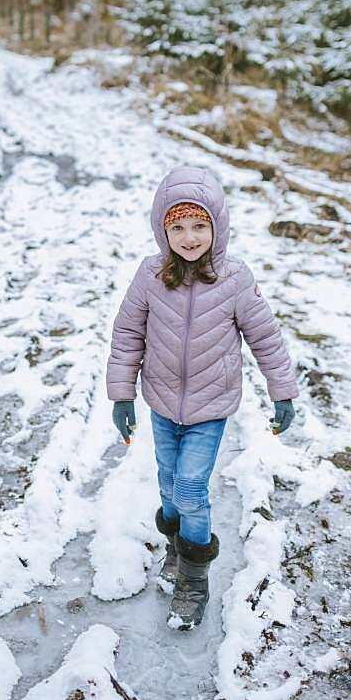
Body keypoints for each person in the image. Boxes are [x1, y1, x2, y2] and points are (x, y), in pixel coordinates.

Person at [106, 165, 299, 630]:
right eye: (178, 227)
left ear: (217, 226)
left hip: (211, 407)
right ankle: (177, 548)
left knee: (191, 487)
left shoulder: (234, 277)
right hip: (161, 400)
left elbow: (265, 337)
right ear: (162, 229)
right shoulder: (150, 275)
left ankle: (195, 577)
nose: (189, 237)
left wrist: (283, 391)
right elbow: (128, 332)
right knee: (169, 483)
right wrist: (122, 395)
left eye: (199, 225)